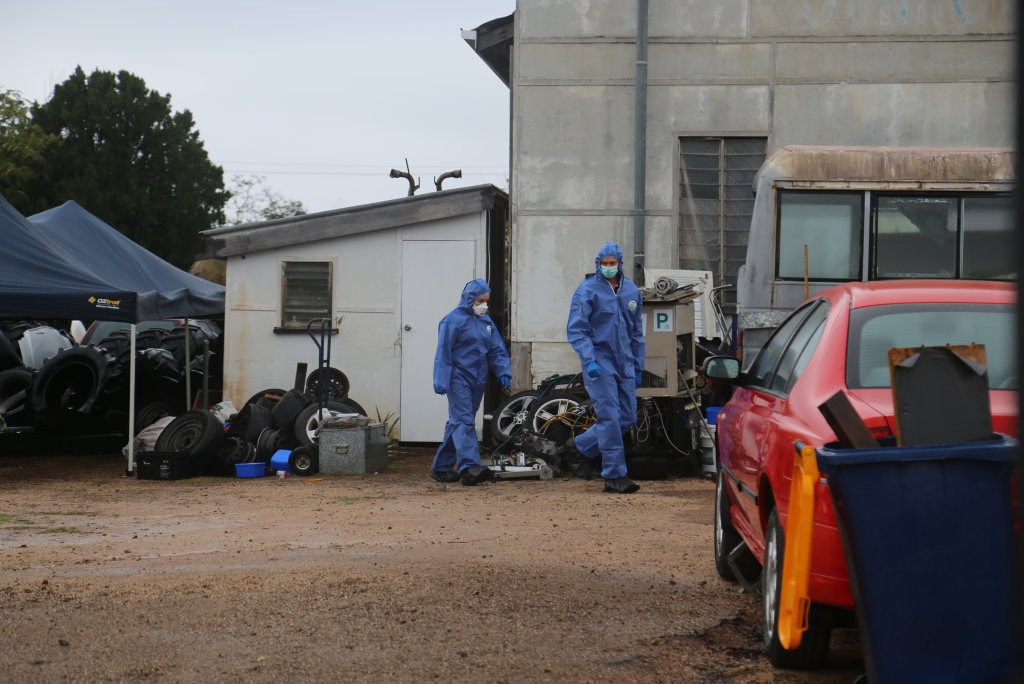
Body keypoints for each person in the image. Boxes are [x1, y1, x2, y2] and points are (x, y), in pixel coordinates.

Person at [565, 242, 645, 494]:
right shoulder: (587, 291)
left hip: (625, 363)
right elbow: (577, 330)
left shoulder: (631, 290)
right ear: (598, 264)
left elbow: (636, 332)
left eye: (613, 263)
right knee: (609, 417)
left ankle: (578, 447)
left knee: (628, 417)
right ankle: (614, 475)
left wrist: (638, 364)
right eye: (604, 263)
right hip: (599, 362)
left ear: (620, 264)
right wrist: (589, 360)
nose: (609, 267)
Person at [431, 278, 512, 486]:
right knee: (465, 420)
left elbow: (496, 349)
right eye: (479, 300)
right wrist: (441, 379)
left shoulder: (486, 322)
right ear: (469, 299)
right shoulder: (452, 321)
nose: (483, 305)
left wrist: (504, 371)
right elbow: (444, 353)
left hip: (478, 378)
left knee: (459, 422)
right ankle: (470, 467)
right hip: (458, 377)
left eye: (486, 300)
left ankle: (441, 467)